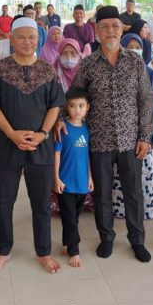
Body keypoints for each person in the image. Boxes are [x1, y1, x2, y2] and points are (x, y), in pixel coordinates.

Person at [67, 6, 153, 262]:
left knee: (133, 194)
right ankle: (107, 238)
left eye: (115, 26)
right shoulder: (89, 64)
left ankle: (137, 240)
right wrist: (68, 124)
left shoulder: (136, 61)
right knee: (102, 194)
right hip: (99, 141)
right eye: (104, 26)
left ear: (122, 28)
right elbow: (74, 97)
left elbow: (146, 99)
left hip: (131, 141)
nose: (110, 31)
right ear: (96, 31)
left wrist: (145, 137)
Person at [0, 17, 65, 274]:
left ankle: (43, 252)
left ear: (38, 39)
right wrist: (11, 133)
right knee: (4, 200)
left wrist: (42, 134)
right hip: (7, 146)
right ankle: (2, 251)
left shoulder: (47, 70)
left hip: (41, 146)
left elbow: (55, 105)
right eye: (21, 37)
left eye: (32, 37)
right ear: (11, 39)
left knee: (41, 202)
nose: (27, 42)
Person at [54, 87, 92, 268]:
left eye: (81, 106)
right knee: (69, 217)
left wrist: (90, 178)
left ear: (87, 108)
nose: (77, 110)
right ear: (66, 108)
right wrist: (56, 178)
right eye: (72, 106)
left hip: (82, 183)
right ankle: (74, 251)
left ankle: (67, 242)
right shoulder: (62, 128)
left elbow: (87, 157)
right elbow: (57, 155)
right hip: (66, 183)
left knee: (74, 217)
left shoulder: (87, 129)